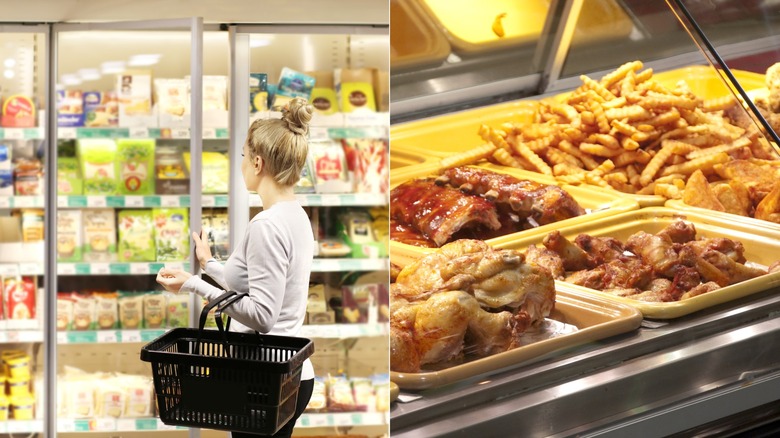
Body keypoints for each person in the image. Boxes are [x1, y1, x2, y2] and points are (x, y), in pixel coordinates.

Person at [156, 97, 316, 438]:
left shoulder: (266, 226)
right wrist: (209, 263)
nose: (242, 164)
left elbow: (263, 315)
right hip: (286, 373)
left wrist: (193, 286)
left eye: (243, 157)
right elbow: (254, 282)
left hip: (264, 379)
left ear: (257, 162)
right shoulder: (295, 215)